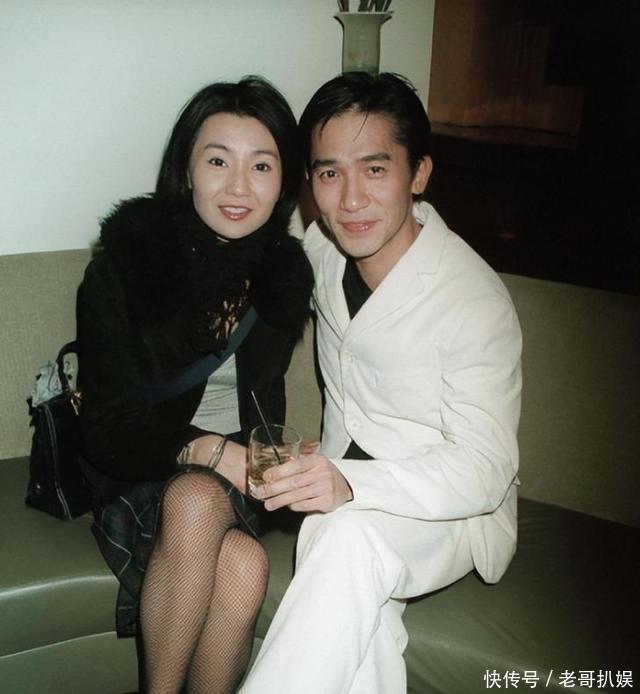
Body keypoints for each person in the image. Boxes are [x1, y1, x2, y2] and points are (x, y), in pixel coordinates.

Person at [239, 72, 522, 694]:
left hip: (447, 511)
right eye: (329, 173)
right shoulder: (321, 248)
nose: (350, 200)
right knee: (358, 611)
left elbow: (486, 468)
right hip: (345, 487)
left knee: (342, 532)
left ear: (419, 174)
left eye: (374, 169)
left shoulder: (473, 300)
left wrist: (349, 481)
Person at [76, 76, 313, 694]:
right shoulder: (128, 267)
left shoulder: (283, 276)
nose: (238, 187)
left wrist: (278, 457)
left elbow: (265, 401)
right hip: (139, 465)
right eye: (218, 161)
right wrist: (208, 450)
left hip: (231, 480)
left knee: (230, 537)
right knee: (224, 538)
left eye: (261, 165)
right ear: (186, 170)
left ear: (283, 182)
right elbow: (109, 432)